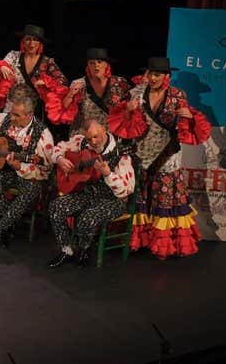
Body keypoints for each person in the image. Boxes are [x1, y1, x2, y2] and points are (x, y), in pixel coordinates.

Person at [108, 57, 210, 259]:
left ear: (167, 77)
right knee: (140, 197)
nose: (152, 78)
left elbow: (187, 127)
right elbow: (123, 123)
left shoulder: (177, 95)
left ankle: (164, 244)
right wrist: (127, 111)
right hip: (141, 152)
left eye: (157, 74)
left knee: (164, 198)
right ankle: (139, 241)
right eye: (150, 73)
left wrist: (189, 116)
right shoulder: (136, 93)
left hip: (167, 154)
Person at [0, 89, 58, 247]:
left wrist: (21, 167)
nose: (11, 117)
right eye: (12, 113)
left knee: (32, 190)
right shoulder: (4, 118)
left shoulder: (42, 134)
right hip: (4, 171)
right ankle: (9, 218)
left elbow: (46, 167)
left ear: (29, 115)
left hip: (26, 176)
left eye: (16, 115)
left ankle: (3, 226)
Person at [46, 120, 136, 267]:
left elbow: (126, 190)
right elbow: (58, 148)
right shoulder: (80, 142)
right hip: (87, 194)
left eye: (96, 137)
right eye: (89, 139)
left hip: (113, 200)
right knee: (56, 207)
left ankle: (84, 249)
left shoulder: (121, 154)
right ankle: (66, 250)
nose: (93, 142)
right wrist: (60, 159)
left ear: (104, 129)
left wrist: (108, 174)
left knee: (87, 217)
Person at [51, 48, 131, 129]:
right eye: (92, 63)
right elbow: (63, 108)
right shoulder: (78, 84)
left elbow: (131, 108)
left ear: (106, 64)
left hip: (110, 134)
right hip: (84, 134)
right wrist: (71, 94)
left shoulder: (120, 83)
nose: (96, 65)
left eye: (100, 62)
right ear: (88, 65)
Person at [2, 24, 68, 118]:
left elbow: (63, 81)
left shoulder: (47, 62)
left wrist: (47, 83)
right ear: (23, 41)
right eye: (28, 39)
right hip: (12, 107)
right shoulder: (13, 56)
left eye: (35, 40)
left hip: (33, 111)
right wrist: (1, 67)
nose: (31, 44)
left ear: (40, 43)